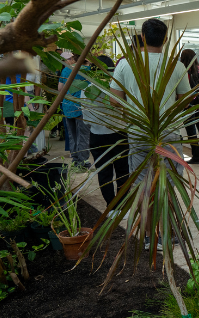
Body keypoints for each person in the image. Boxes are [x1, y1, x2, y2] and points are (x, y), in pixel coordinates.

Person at [110, 19, 191, 249]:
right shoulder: (175, 65)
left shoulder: (126, 65)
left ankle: (149, 237)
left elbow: (114, 100)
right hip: (170, 134)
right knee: (170, 184)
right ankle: (167, 233)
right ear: (165, 39)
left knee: (144, 187)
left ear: (142, 38)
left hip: (139, 134)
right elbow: (185, 99)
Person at [84, 55, 129, 219]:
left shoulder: (86, 90)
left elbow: (86, 119)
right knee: (123, 172)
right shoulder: (117, 90)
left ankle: (112, 208)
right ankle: (122, 206)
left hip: (97, 137)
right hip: (119, 135)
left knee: (104, 174)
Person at [60, 53, 91, 170]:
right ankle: (83, 161)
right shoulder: (86, 70)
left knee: (72, 134)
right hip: (81, 106)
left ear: (73, 59)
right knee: (83, 134)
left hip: (68, 105)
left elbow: (60, 89)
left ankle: (75, 159)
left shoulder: (65, 71)